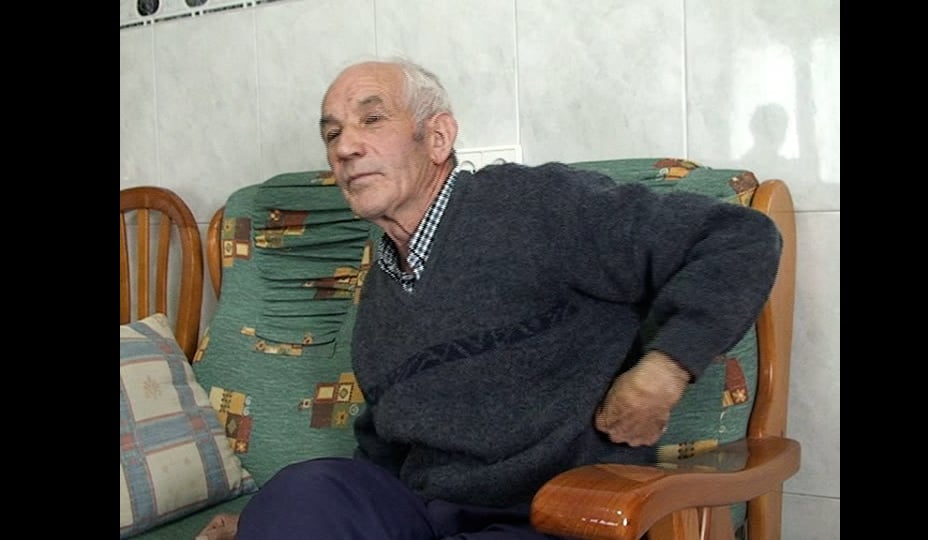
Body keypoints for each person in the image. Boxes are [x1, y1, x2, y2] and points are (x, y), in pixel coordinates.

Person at [196, 58, 782, 540]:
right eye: (331, 134)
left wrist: (666, 368)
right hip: (426, 512)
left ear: (438, 137)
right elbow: (384, 448)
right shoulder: (378, 297)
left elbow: (740, 239)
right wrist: (268, 524)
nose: (345, 146)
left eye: (371, 119)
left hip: (557, 512)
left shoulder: (535, 204)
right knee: (302, 493)